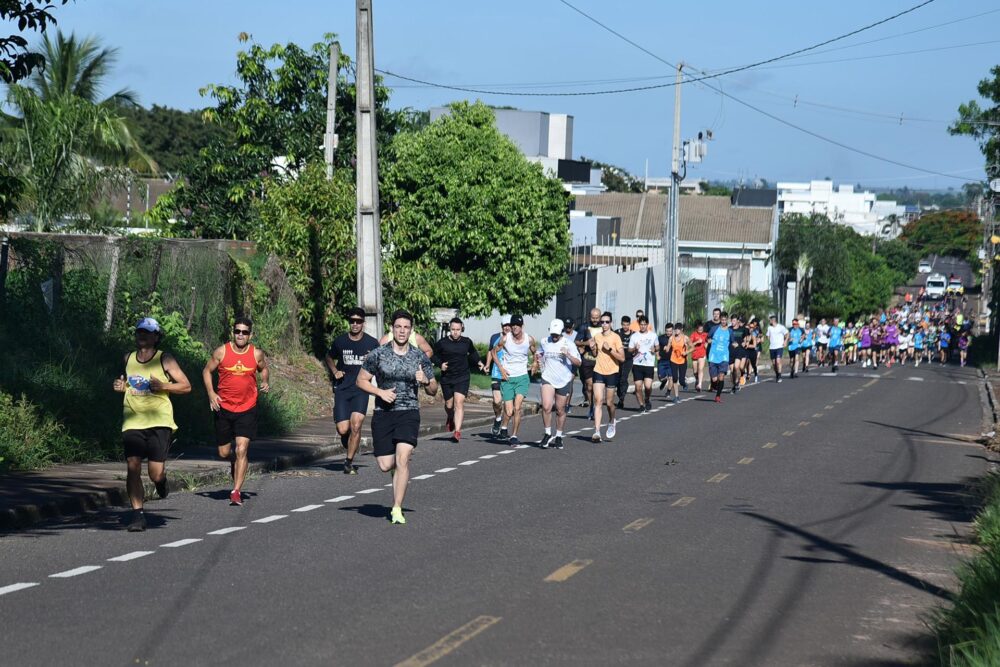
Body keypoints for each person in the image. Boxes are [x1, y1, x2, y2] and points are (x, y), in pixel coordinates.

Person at [356, 310, 438, 525]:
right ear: (392, 329)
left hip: (409, 411)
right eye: (398, 327)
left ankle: (396, 507)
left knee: (403, 459)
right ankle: (400, 473)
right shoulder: (378, 354)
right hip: (384, 413)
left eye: (406, 327)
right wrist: (380, 393)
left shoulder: (419, 356)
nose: (402, 331)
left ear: (411, 330)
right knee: (385, 465)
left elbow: (433, 390)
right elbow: (361, 381)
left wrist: (426, 380)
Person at [113, 317, 192, 531]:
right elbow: (126, 382)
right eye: (139, 331)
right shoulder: (128, 357)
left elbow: (186, 386)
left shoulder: (164, 359)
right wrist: (121, 386)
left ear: (156, 337)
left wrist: (163, 385)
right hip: (133, 420)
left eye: (147, 332)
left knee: (155, 473)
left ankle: (161, 482)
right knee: (133, 465)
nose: (142, 335)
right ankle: (137, 514)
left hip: (159, 421)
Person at [203, 316, 270, 505]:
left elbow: (264, 369)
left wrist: (265, 381)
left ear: (250, 334)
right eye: (237, 331)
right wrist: (211, 393)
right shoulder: (222, 351)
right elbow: (206, 371)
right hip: (224, 407)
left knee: (242, 449)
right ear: (233, 332)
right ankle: (236, 460)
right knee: (224, 453)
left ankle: (236, 491)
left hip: (248, 408)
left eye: (244, 332)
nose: (240, 335)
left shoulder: (256, 354)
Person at [325, 308, 379, 475]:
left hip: (361, 390)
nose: (355, 324)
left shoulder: (372, 343)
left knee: (356, 425)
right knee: (343, 429)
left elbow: (380, 363)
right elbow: (329, 357)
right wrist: (335, 372)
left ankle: (348, 462)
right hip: (342, 389)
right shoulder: (341, 341)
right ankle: (347, 438)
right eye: (352, 321)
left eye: (358, 321)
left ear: (363, 323)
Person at [432, 317, 483, 443]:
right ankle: (450, 416)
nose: (455, 332)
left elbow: (473, 352)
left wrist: (479, 362)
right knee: (449, 405)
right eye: (453, 329)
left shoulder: (466, 342)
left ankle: (457, 431)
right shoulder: (442, 343)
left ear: (462, 329)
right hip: (447, 377)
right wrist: (440, 364)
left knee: (459, 403)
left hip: (462, 376)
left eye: (458, 330)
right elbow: (432, 355)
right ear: (450, 329)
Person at [493, 314, 537, 445]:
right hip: (508, 378)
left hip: (522, 377)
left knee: (517, 408)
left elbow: (535, 352)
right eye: (513, 325)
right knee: (509, 410)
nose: (515, 328)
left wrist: (535, 363)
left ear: (522, 326)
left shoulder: (529, 339)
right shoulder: (505, 339)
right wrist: (501, 368)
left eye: (517, 325)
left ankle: (514, 436)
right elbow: (493, 353)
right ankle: (504, 427)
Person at [538, 318, 582, 449]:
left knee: (560, 410)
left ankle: (558, 436)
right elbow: (539, 353)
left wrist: (567, 354)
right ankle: (547, 434)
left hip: (563, 380)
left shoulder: (569, 344)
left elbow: (578, 362)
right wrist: (538, 361)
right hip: (548, 378)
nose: (554, 336)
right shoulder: (545, 341)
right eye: (552, 334)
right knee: (546, 406)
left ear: (561, 332)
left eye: (557, 334)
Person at [590, 312, 625, 442]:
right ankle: (597, 432)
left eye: (607, 322)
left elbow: (622, 358)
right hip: (598, 370)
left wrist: (609, 349)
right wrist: (593, 349)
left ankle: (611, 420)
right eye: (602, 322)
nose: (604, 324)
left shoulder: (616, 337)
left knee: (609, 403)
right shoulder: (597, 336)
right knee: (598, 400)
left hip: (612, 372)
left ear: (611, 323)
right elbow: (594, 354)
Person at [484, 317, 512, 438]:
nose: (507, 327)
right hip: (496, 372)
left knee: (507, 403)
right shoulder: (495, 337)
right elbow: (491, 351)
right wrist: (487, 364)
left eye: (509, 325)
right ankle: (498, 418)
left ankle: (504, 427)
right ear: (501, 326)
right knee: (497, 401)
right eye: (504, 325)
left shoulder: (515, 339)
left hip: (510, 374)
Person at [575, 308, 602, 418]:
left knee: (598, 386)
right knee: (589, 386)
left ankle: (597, 406)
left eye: (597, 317)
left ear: (599, 317)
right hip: (587, 360)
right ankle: (591, 408)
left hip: (600, 361)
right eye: (593, 317)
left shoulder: (604, 327)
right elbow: (576, 341)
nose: (595, 320)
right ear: (589, 316)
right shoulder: (584, 327)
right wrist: (587, 343)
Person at [630, 315, 658, 410]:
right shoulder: (634, 336)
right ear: (639, 325)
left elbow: (658, 347)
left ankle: (647, 399)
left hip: (649, 364)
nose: (642, 326)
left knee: (648, 386)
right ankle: (641, 405)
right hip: (637, 364)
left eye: (644, 324)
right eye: (641, 324)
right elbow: (629, 350)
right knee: (638, 387)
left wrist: (655, 349)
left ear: (647, 325)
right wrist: (635, 348)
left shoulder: (653, 335)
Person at [706, 312, 731, 403]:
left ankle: (718, 396)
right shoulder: (714, 329)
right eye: (722, 320)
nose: (723, 321)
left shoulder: (730, 331)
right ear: (720, 320)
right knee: (714, 379)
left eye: (725, 320)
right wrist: (708, 340)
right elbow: (707, 338)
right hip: (713, 356)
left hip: (724, 356)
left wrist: (736, 344)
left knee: (721, 376)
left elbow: (733, 341)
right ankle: (714, 386)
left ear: (727, 320)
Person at [667, 322, 691, 404]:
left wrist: (687, 352)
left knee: (681, 380)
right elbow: (668, 348)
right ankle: (676, 396)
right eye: (675, 329)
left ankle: (684, 384)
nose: (676, 331)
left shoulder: (685, 338)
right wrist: (665, 348)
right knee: (674, 378)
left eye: (678, 329)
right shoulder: (671, 338)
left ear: (681, 330)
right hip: (673, 360)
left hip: (682, 361)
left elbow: (693, 347)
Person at [616, 315, 634, 409]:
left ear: (629, 325)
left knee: (624, 378)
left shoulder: (633, 334)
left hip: (628, 359)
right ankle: (620, 395)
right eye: (624, 325)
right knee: (618, 379)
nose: (625, 327)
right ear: (621, 324)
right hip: (618, 359)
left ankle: (621, 398)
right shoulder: (617, 333)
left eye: (627, 325)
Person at [766, 315, 789, 382]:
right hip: (772, 347)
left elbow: (787, 333)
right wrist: (769, 338)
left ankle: (779, 375)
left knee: (778, 361)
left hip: (779, 346)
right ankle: (777, 374)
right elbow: (768, 336)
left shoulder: (780, 327)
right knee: (773, 363)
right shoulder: (769, 328)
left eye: (770, 320)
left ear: (773, 320)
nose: (769, 321)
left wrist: (785, 341)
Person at [729, 315, 748, 393]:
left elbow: (746, 339)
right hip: (730, 351)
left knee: (736, 367)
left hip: (739, 351)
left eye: (734, 321)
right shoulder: (729, 329)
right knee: (732, 370)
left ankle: (737, 383)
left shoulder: (742, 329)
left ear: (737, 321)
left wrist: (745, 342)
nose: (732, 322)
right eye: (732, 321)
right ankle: (735, 384)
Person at [689, 322, 708, 392]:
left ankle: (699, 384)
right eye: (699, 329)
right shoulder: (693, 334)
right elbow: (690, 344)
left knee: (700, 369)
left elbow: (708, 341)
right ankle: (697, 379)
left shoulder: (705, 334)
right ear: (696, 328)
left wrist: (706, 344)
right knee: (695, 371)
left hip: (702, 354)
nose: (700, 330)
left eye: (702, 329)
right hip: (694, 354)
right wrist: (696, 342)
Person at [657, 322, 674, 391]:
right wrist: (657, 355)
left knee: (671, 377)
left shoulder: (675, 338)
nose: (668, 333)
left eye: (670, 331)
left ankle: (668, 392)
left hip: (671, 361)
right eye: (667, 331)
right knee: (660, 377)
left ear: (672, 331)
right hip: (662, 360)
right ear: (665, 330)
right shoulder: (660, 338)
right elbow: (656, 348)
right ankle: (663, 381)